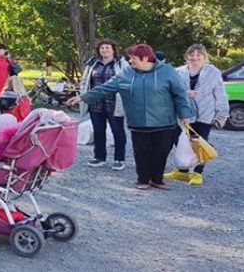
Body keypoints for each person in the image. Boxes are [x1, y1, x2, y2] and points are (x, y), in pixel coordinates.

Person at [66, 43, 193, 190]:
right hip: (138, 121)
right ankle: (143, 180)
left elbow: (180, 94)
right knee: (141, 152)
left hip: (164, 121)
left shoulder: (168, 72)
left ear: (145, 58)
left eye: (133, 58)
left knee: (161, 151)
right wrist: (83, 97)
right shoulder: (125, 73)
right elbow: (104, 88)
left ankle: (157, 179)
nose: (130, 61)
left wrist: (185, 114)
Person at [164, 44, 229, 186]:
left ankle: (198, 173)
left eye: (198, 55)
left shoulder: (213, 72)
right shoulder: (178, 72)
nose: (194, 57)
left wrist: (223, 114)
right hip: (182, 115)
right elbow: (169, 91)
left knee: (199, 144)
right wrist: (186, 93)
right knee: (179, 141)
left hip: (204, 115)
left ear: (204, 57)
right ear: (186, 56)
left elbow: (220, 94)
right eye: (191, 55)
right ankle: (182, 171)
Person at [79, 39, 130, 171]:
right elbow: (85, 81)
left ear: (113, 49)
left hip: (114, 103)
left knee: (117, 131)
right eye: (102, 48)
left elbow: (126, 81)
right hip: (96, 104)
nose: (104, 50)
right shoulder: (93, 64)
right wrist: (84, 94)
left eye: (107, 48)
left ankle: (119, 159)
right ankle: (99, 157)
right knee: (98, 131)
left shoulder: (121, 63)